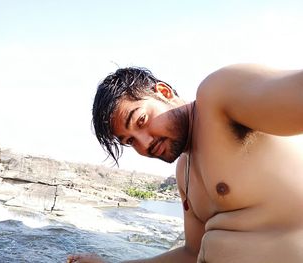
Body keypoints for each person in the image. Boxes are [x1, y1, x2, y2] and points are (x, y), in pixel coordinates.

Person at [67, 64, 303, 263]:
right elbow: (191, 253)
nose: (144, 143)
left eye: (141, 120)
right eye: (130, 141)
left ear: (164, 92)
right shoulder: (184, 171)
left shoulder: (217, 97)